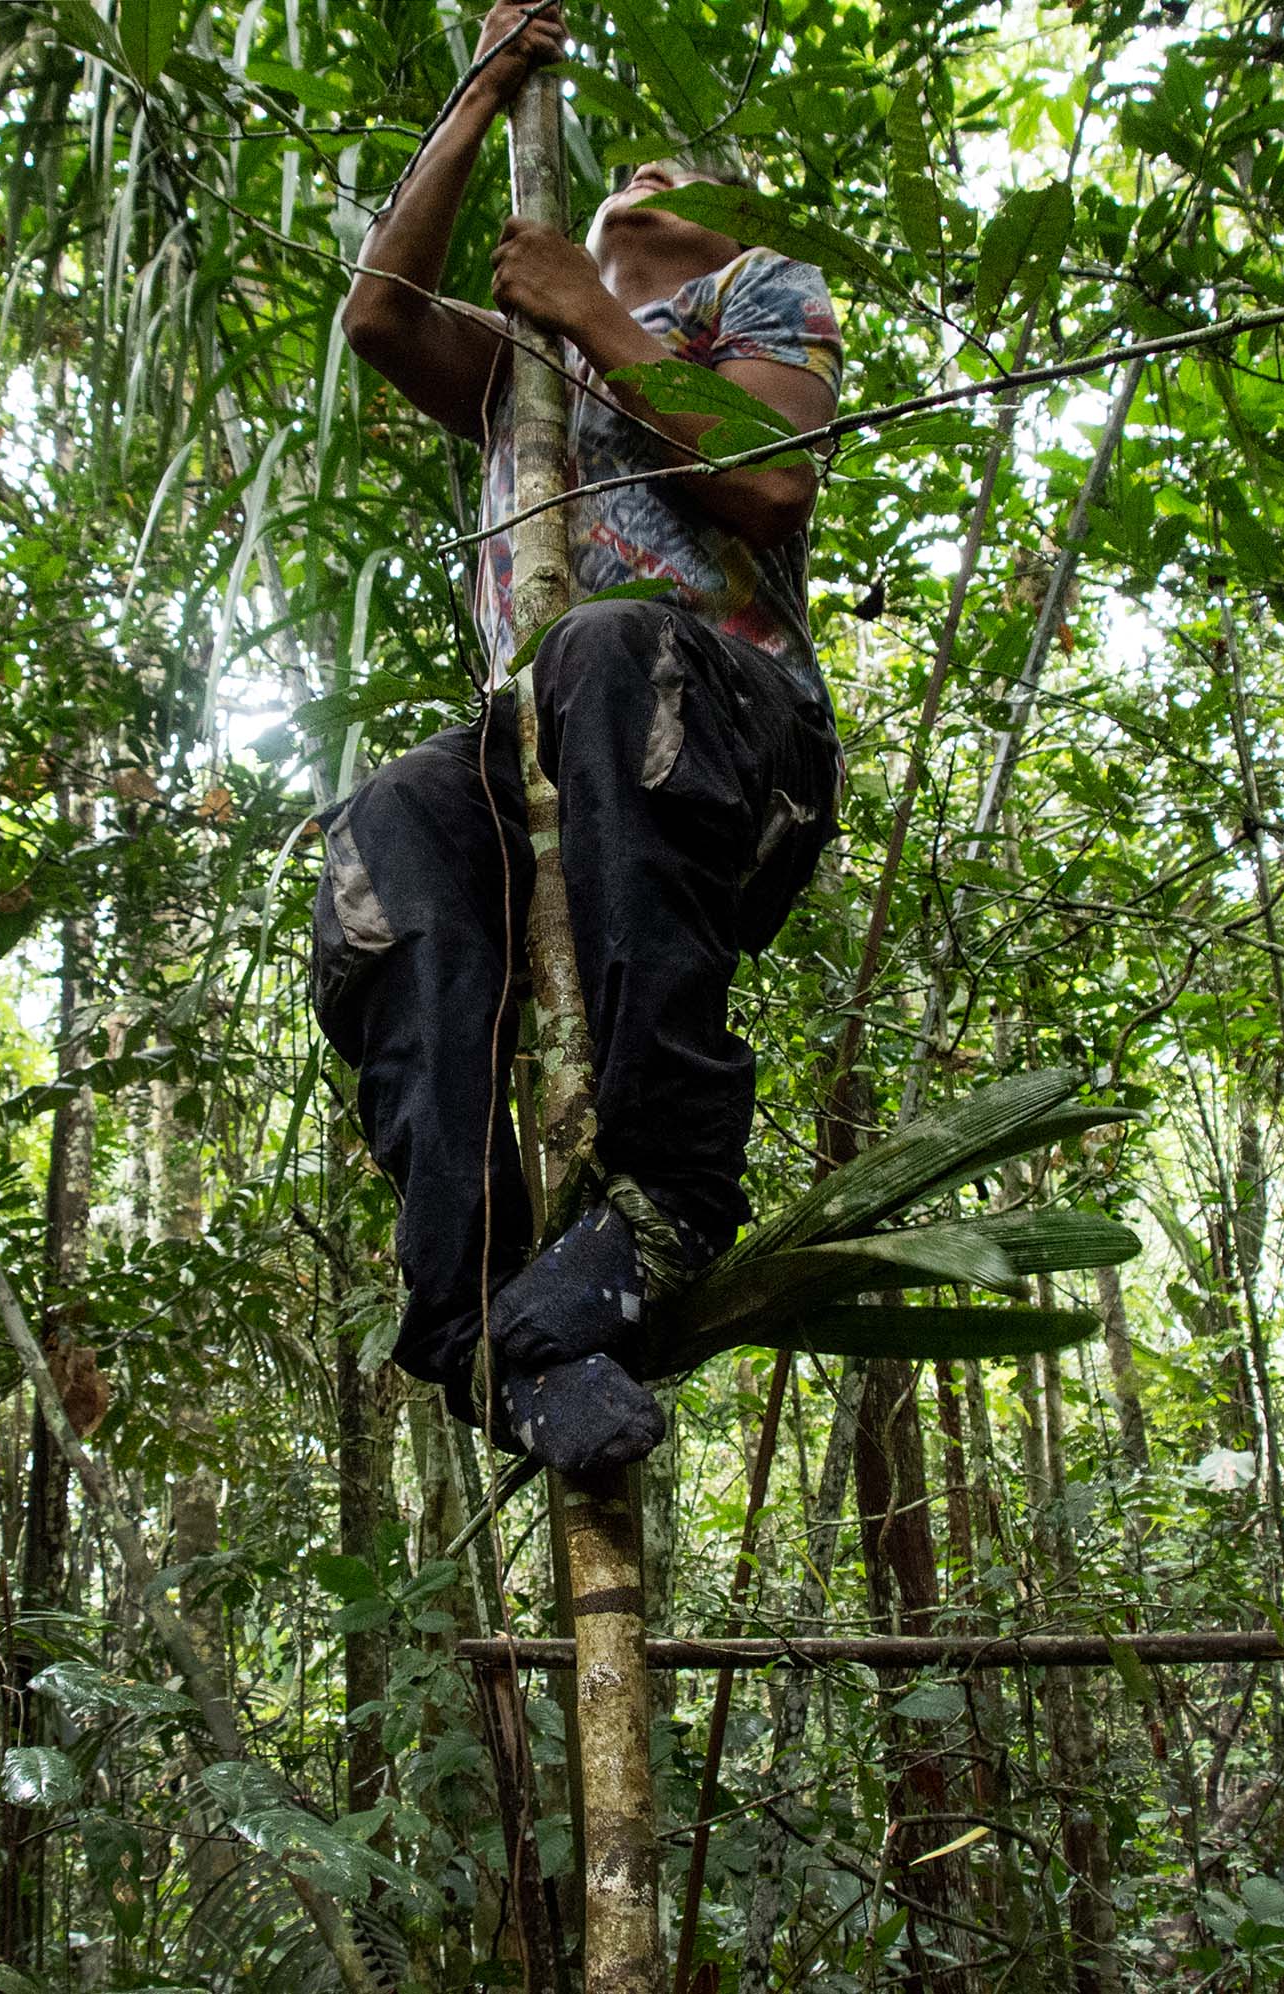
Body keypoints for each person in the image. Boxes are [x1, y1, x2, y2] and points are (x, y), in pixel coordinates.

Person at [313, 0, 846, 1474]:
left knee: (600, 646)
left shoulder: (757, 295)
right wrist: (483, 93)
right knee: (390, 828)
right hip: (554, 752)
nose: (646, 186)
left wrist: (594, 314)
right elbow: (376, 314)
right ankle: (496, 1328)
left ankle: (669, 1189)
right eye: (632, 180)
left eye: (679, 184)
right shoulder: (515, 374)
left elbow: (772, 482)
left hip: (734, 739)